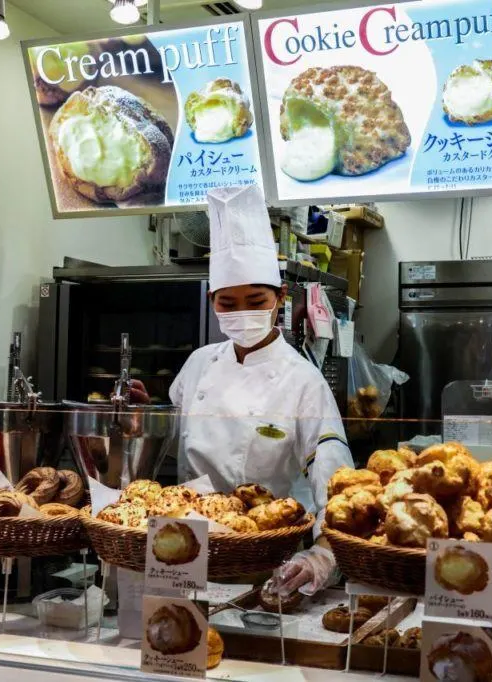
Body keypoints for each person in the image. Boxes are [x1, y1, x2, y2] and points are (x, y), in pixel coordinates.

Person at [130, 185, 352, 597]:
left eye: (255, 300)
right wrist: (149, 418)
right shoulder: (200, 363)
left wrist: (321, 556)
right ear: (212, 300)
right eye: (228, 304)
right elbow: (181, 444)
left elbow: (336, 483)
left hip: (262, 558)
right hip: (183, 547)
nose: (241, 313)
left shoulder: (303, 381)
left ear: (279, 297)